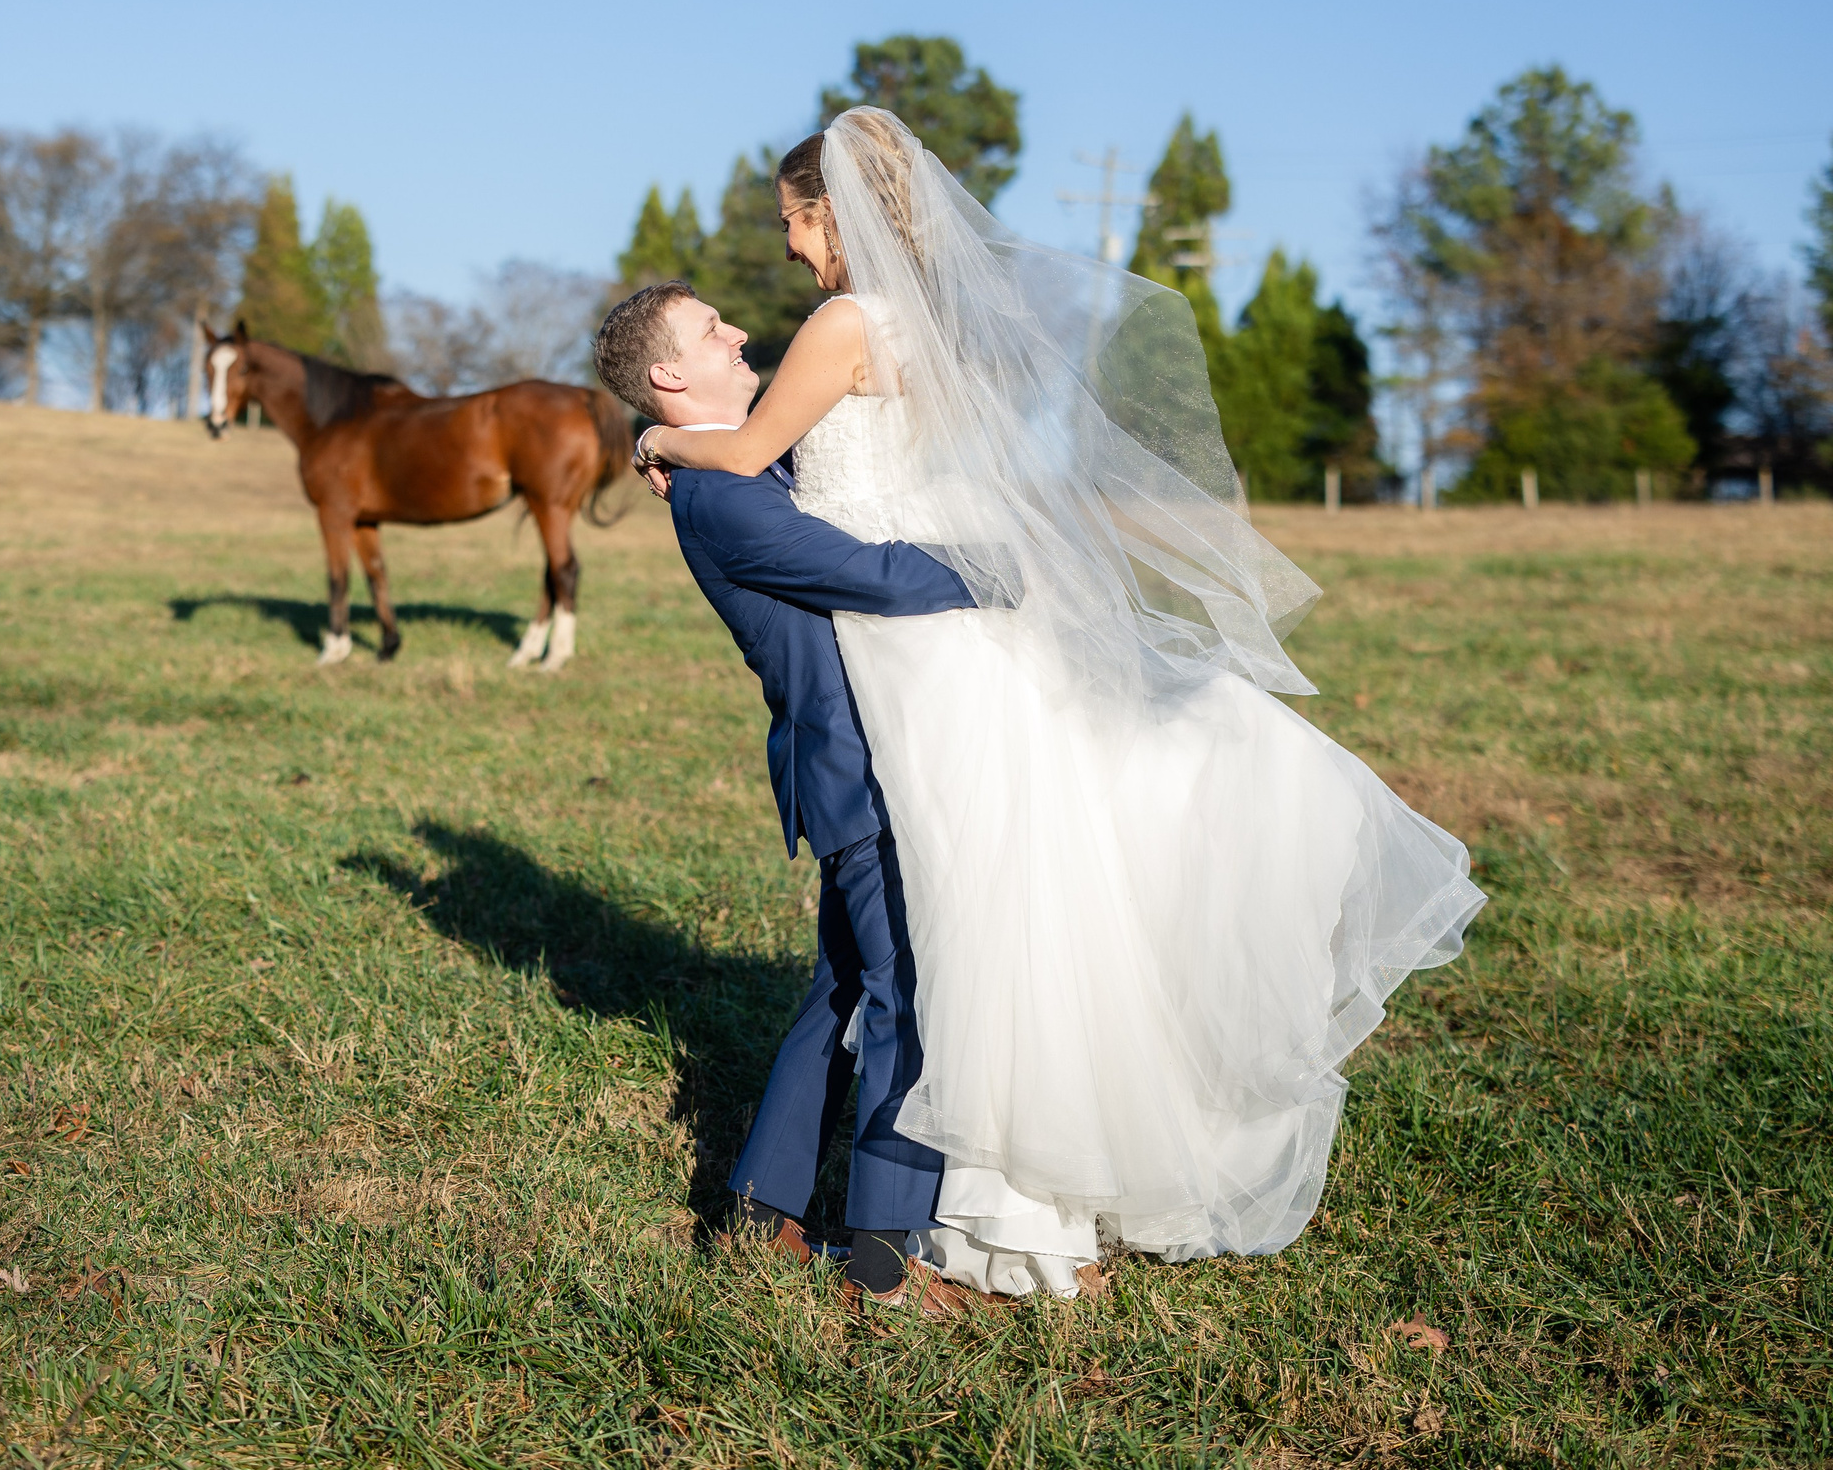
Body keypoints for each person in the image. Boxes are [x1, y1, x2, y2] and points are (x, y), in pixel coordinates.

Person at [631, 107, 1485, 1298]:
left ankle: (907, 1242)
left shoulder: (839, 325)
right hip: (957, 640)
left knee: (932, 952)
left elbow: (758, 453)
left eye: (791, 219)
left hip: (913, 649)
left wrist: (657, 436)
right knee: (972, 922)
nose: (785, 249)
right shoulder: (934, 330)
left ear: (836, 211)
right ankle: (873, 1210)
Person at [590, 280, 1016, 1316]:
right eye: (710, 330)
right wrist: (1016, 566)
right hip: (857, 767)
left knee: (839, 989)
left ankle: (758, 1208)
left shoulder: (724, 462)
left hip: (860, 755)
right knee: (903, 992)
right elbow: (874, 575)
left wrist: (658, 438)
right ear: (667, 373)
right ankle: (886, 1258)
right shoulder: (723, 496)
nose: (739, 331)